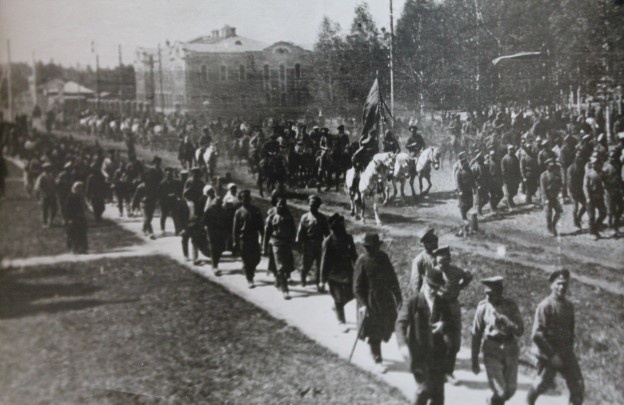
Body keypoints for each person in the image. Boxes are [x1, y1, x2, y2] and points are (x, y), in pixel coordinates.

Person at [527, 269, 584, 405]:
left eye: (565, 284)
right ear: (551, 285)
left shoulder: (569, 306)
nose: (562, 287)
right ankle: (529, 401)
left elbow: (570, 332)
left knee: (578, 385)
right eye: (558, 284)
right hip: (548, 353)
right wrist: (552, 356)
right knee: (543, 384)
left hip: (565, 352)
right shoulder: (545, 306)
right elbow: (536, 335)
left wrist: (568, 353)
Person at [396, 269, 450, 405]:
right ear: (425, 283)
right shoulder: (413, 302)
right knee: (425, 389)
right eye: (431, 286)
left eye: (436, 288)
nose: (433, 290)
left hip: (437, 355)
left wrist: (443, 324)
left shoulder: (442, 301)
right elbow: (400, 324)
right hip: (419, 355)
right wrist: (402, 345)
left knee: (438, 395)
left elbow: (450, 321)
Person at [354, 233, 402, 374]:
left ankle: (374, 349)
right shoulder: (361, 261)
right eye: (367, 247)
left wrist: (398, 296)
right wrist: (363, 304)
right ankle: (377, 359)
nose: (370, 250)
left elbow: (392, 278)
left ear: (377, 246)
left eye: (372, 247)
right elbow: (356, 287)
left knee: (385, 328)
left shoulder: (383, 258)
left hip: (385, 300)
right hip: (369, 302)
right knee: (374, 332)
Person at [471, 276, 524, 405]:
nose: (488, 297)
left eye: (491, 293)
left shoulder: (511, 306)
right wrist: (474, 360)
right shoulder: (482, 307)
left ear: (500, 292)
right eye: (486, 293)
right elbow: (476, 334)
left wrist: (508, 323)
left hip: (510, 348)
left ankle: (492, 402)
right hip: (491, 348)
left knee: (511, 390)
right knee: (500, 390)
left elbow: (520, 330)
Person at [433, 246, 473, 383]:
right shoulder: (433, 273)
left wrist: (460, 287)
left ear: (449, 260)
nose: (442, 266)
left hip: (453, 306)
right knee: (437, 340)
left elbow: (468, 276)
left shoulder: (455, 271)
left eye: (444, 262)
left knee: (454, 343)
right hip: (437, 308)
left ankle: (448, 372)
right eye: (439, 263)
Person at [320, 213, 357, 331]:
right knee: (339, 298)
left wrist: (359, 269)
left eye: (343, 224)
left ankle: (336, 306)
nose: (344, 227)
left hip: (347, 273)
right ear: (335, 228)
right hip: (333, 275)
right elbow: (324, 262)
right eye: (341, 225)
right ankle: (341, 321)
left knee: (352, 294)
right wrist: (322, 280)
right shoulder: (328, 241)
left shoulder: (348, 238)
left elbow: (354, 256)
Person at [264, 196, 297, 300]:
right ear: (276, 205)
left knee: (287, 266)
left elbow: (293, 230)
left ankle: (278, 282)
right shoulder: (272, 217)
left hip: (286, 243)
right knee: (281, 267)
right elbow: (267, 233)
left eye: (283, 204)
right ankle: (285, 290)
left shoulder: (288, 217)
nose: (281, 206)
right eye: (279, 204)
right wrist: (264, 246)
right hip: (276, 243)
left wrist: (292, 241)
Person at [296, 195, 330, 290]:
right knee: (306, 263)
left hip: (319, 244)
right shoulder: (305, 217)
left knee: (320, 265)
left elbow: (327, 233)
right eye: (310, 205)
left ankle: (318, 283)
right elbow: (300, 231)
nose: (312, 207)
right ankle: (303, 278)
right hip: (308, 244)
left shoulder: (322, 218)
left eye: (314, 205)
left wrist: (328, 243)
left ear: (318, 206)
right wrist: (298, 242)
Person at [232, 190, 264, 288]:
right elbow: (235, 228)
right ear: (241, 200)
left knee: (256, 258)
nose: (245, 200)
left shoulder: (256, 210)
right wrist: (235, 241)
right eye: (243, 199)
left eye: (247, 198)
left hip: (253, 237)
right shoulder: (238, 212)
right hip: (243, 238)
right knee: (246, 259)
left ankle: (250, 270)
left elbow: (261, 225)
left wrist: (263, 236)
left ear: (250, 199)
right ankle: (250, 279)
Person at [409, 227, 439, 296]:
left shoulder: (439, 256)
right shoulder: (419, 260)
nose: (436, 242)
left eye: (436, 240)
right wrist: (418, 298)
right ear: (425, 244)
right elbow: (415, 282)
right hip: (427, 293)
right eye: (432, 241)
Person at [203, 196, 228, 275]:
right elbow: (204, 221)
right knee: (213, 250)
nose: (217, 206)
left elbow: (226, 223)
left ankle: (215, 265)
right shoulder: (209, 211)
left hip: (220, 233)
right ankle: (214, 266)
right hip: (212, 233)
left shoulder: (223, 211)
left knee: (219, 250)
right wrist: (206, 229)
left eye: (219, 204)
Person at [583, 154, 606, 240]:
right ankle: (592, 232)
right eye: (593, 163)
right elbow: (585, 186)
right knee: (591, 216)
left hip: (599, 196)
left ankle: (595, 227)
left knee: (604, 212)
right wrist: (588, 197)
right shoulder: (588, 173)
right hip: (591, 196)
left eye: (596, 162)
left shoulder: (601, 172)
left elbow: (605, 181)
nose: (595, 164)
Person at [540, 159, 563, 237]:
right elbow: (542, 189)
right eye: (550, 165)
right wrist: (546, 199)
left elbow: (560, 184)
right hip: (547, 197)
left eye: (553, 165)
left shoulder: (556, 174)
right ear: (547, 166)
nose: (552, 167)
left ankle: (553, 225)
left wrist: (560, 193)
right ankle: (549, 229)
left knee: (559, 211)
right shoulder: (544, 175)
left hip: (554, 197)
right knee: (548, 214)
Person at [454, 152, 475, 236]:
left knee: (470, 204)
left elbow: (472, 180)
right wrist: (460, 191)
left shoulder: (469, 170)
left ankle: (468, 221)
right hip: (462, 192)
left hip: (469, 191)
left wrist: (474, 187)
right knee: (463, 206)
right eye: (463, 162)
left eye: (465, 162)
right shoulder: (459, 172)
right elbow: (458, 183)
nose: (464, 164)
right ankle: (464, 221)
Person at [602, 150, 623, 235]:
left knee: (621, 207)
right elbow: (602, 178)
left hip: (617, 189)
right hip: (609, 190)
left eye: (614, 157)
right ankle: (610, 227)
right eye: (611, 157)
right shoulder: (606, 166)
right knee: (610, 210)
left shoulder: (618, 164)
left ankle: (615, 225)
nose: (612, 158)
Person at [65, 181, 88, 254]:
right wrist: (70, 218)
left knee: (82, 233)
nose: (81, 190)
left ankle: (82, 248)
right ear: (75, 188)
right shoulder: (71, 197)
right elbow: (68, 208)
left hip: (81, 217)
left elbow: (84, 206)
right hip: (74, 218)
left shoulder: (80, 196)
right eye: (79, 188)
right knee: (74, 234)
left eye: (82, 188)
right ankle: (74, 249)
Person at [159, 168, 182, 234]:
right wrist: (166, 196)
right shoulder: (162, 183)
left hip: (173, 201)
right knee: (163, 215)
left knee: (175, 215)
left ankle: (177, 230)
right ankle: (162, 229)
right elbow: (160, 193)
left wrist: (176, 195)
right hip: (165, 202)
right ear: (165, 175)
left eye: (170, 174)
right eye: (167, 174)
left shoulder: (176, 182)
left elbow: (179, 191)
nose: (169, 175)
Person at [34, 162, 58, 227]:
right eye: (47, 168)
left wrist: (55, 191)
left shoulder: (51, 176)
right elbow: (38, 187)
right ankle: (44, 223)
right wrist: (40, 195)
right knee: (45, 209)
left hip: (52, 195)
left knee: (54, 208)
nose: (48, 169)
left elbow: (54, 185)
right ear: (44, 169)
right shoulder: (41, 177)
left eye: (49, 168)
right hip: (45, 195)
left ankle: (51, 221)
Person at [567, 152, 586, 229]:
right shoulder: (571, 168)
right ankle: (575, 221)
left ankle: (579, 217)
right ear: (575, 158)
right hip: (573, 191)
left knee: (586, 205)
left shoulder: (582, 167)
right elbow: (570, 182)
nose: (580, 159)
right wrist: (572, 192)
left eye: (581, 157)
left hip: (580, 190)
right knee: (575, 207)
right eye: (578, 157)